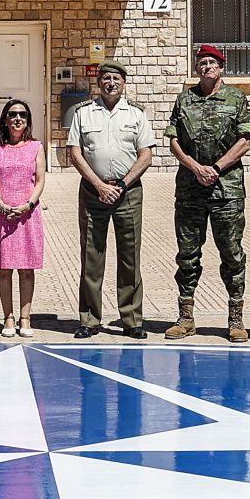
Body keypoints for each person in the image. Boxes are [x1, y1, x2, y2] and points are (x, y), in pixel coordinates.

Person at [165, 44, 250, 342]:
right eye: (202, 63)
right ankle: (186, 316)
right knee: (188, 254)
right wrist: (194, 166)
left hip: (226, 190)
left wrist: (215, 168)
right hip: (191, 190)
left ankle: (235, 318)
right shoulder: (184, 99)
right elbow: (173, 140)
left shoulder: (236, 98)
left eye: (211, 63)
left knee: (231, 254)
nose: (206, 67)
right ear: (196, 69)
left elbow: (244, 140)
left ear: (221, 67)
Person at [66, 63, 156, 339]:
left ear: (124, 83)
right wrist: (99, 185)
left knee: (130, 257)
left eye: (116, 78)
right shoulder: (83, 113)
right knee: (92, 257)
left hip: (128, 192)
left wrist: (121, 184)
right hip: (94, 192)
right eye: (106, 78)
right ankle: (90, 319)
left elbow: (146, 154)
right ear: (99, 83)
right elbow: (74, 151)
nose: (111, 83)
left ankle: (131, 320)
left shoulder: (136, 114)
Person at [0, 98, 46, 337]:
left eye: (22, 114)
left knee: (27, 269)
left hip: (27, 214)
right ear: (5, 119)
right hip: (1, 214)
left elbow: (40, 180)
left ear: (28, 120)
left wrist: (28, 204)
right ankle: (8, 318)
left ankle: (25, 318)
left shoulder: (36, 147)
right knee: (4, 268)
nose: (17, 118)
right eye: (12, 114)